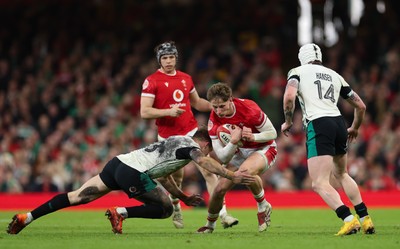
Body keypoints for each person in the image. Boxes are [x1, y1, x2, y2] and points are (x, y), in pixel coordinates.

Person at [7, 129, 255, 235]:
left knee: (76, 196)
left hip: (118, 164)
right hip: (132, 172)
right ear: (204, 143)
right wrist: (232, 175)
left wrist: (183, 196)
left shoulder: (176, 141)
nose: (209, 153)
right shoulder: (191, 147)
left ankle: (26, 217)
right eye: (210, 149)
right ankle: (120, 213)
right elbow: (205, 163)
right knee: (165, 209)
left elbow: (164, 177)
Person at [280, 43, 375, 236]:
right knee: (342, 174)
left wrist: (288, 121)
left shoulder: (297, 71)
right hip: (339, 123)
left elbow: (289, 97)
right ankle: (366, 219)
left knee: (318, 182)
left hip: (318, 124)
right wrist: (354, 128)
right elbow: (361, 106)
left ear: (302, 57)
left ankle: (349, 219)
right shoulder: (334, 75)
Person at [140, 41, 237, 229]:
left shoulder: (185, 78)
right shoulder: (151, 81)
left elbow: (198, 103)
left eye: (171, 57)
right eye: (165, 58)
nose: (168, 61)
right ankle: (176, 206)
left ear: (176, 58)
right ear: (159, 60)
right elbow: (144, 112)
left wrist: (220, 107)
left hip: (192, 133)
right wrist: (167, 112)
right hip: (169, 138)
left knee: (209, 170)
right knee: (176, 179)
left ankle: (223, 214)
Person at [196, 82, 278, 233]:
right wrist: (234, 142)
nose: (218, 111)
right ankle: (210, 225)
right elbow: (223, 157)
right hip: (239, 152)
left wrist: (251, 136)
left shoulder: (249, 109)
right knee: (219, 189)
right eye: (215, 107)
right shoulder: (214, 119)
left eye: (222, 106)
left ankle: (262, 207)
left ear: (231, 99)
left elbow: (273, 133)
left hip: (263, 148)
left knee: (245, 172)